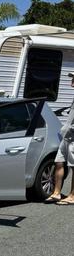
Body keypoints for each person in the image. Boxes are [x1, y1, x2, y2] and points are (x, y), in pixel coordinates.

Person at [47, 72, 74, 205]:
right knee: (59, 162)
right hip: (67, 137)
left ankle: (72, 196)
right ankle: (56, 193)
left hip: (73, 137)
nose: (72, 82)